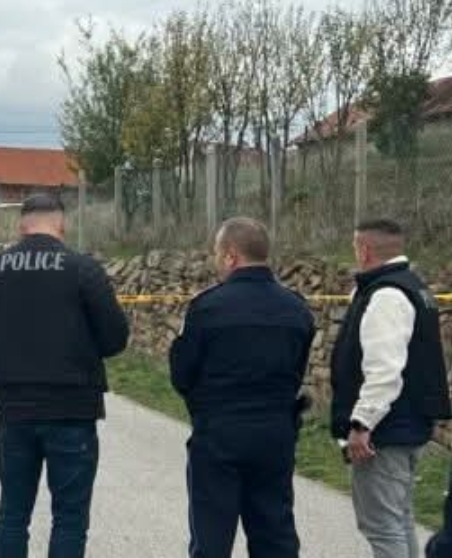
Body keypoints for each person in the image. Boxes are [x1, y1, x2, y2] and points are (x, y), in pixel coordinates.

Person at [0, 193, 129, 558]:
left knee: (13, 515)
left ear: (21, 226)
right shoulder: (83, 270)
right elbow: (115, 338)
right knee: (69, 519)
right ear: (62, 225)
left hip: (14, 408)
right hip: (73, 408)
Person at [169, 217, 315, 557]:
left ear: (231, 256)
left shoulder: (207, 307)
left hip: (219, 432)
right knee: (275, 535)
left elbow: (182, 374)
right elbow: (298, 368)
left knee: (212, 537)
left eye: (217, 254)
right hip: (275, 433)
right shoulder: (297, 308)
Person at [331, 218, 451, 558]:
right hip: (409, 424)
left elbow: (384, 370)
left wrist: (361, 424)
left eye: (355, 247)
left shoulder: (385, 295)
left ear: (364, 250)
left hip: (385, 430)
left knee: (382, 526)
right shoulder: (414, 288)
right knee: (399, 519)